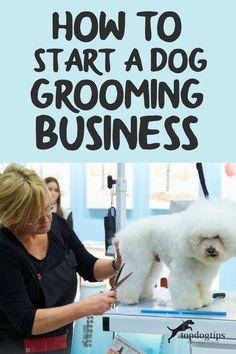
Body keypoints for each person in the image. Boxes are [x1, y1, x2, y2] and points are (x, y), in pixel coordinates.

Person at [0, 164, 121, 354]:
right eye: (35, 216)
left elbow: (89, 267)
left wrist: (116, 265)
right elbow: (26, 320)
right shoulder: (5, 250)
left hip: (60, 343)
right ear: (14, 216)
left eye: (48, 208)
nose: (46, 218)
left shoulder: (56, 226)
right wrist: (85, 307)